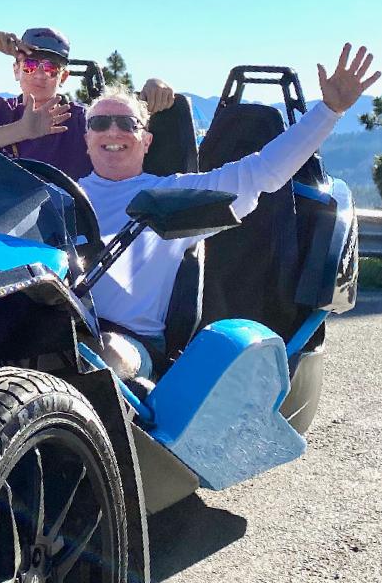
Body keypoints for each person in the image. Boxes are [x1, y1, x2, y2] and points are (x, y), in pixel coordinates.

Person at [79, 43, 379, 379]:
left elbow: (263, 171)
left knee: (103, 352)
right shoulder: (58, 193)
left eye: (127, 122)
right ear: (87, 137)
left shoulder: (175, 193)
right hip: (59, 328)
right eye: (101, 122)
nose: (113, 131)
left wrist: (329, 111)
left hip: (128, 344)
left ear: (146, 140)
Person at [0, 25, 174, 179]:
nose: (40, 74)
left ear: (64, 76)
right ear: (17, 70)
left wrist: (155, 86)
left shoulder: (85, 121)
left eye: (51, 68)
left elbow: (128, 122)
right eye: (31, 65)